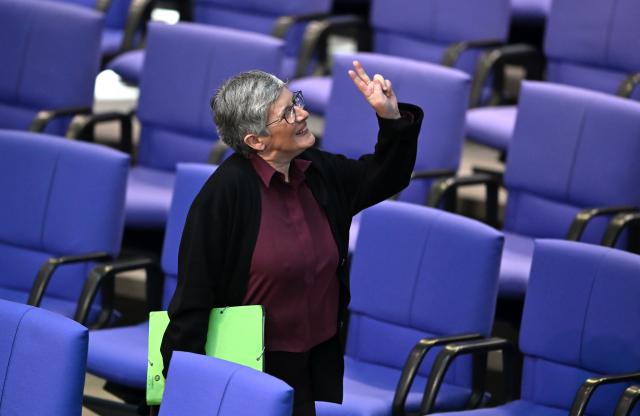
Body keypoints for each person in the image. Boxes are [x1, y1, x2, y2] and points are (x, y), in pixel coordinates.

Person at [160, 61, 423, 415]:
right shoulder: (224, 195)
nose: (303, 113)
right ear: (256, 140)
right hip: (247, 369)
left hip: (311, 363)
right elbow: (192, 303)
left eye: (295, 101)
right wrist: (183, 391)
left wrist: (390, 119)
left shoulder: (316, 170)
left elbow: (385, 177)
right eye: (287, 113)